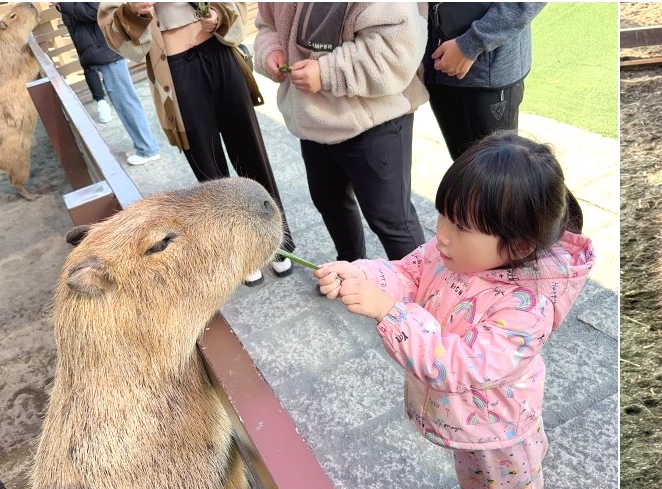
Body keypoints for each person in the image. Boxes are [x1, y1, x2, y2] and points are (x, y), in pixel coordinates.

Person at [314, 134, 593, 489]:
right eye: (444, 214)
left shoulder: (528, 307)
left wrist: (392, 315)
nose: (441, 233)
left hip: (504, 430)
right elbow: (407, 273)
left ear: (519, 244)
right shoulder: (449, 254)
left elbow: (459, 365)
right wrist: (363, 277)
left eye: (460, 226)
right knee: (476, 484)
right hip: (464, 423)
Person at [99, 1, 294, 286]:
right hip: (175, 69)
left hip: (220, 53)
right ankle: (239, 254)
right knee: (209, 167)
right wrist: (134, 12)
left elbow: (235, 6)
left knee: (251, 153)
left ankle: (277, 241)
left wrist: (218, 16)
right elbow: (112, 26)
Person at [254, 3, 428, 263]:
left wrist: (327, 73)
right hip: (312, 120)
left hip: (375, 120)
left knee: (391, 219)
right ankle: (350, 267)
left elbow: (397, 48)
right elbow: (267, 23)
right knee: (330, 203)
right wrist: (271, 50)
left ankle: (420, 293)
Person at [423, 2, 545, 160]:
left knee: (498, 173)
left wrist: (471, 43)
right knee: (463, 169)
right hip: (437, 65)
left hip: (488, 74)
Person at [55, 2, 161, 165]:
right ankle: (143, 145)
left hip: (107, 51)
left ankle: (148, 149)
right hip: (101, 51)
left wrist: (63, 4)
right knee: (123, 101)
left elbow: (95, 10)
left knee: (125, 101)